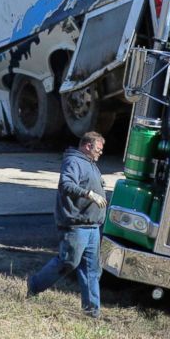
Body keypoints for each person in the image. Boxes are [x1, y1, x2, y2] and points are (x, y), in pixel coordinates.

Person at [27, 131, 108, 318]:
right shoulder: (74, 162)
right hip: (76, 225)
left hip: (92, 226)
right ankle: (34, 285)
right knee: (68, 262)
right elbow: (65, 184)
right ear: (88, 146)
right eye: (98, 149)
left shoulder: (91, 164)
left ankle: (91, 312)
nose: (100, 153)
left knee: (92, 269)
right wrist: (89, 194)